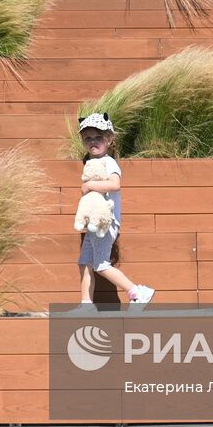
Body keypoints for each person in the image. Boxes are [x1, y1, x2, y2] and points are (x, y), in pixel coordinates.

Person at [76, 113, 154, 306]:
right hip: (94, 223)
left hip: (105, 222)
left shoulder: (109, 162)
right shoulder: (91, 163)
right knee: (84, 263)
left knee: (101, 265)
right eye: (88, 138)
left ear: (109, 140)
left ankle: (137, 291)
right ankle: (86, 305)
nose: (93, 141)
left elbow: (115, 184)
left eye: (98, 137)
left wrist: (90, 185)